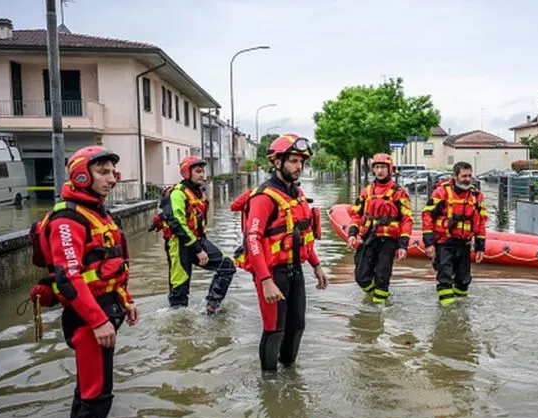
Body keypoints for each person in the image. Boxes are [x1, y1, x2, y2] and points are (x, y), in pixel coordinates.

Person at [28, 146, 139, 418]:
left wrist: (125, 300)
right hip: (87, 318)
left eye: (113, 172)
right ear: (80, 175)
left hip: (104, 309)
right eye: (103, 171)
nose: (112, 178)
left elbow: (109, 264)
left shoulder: (98, 212)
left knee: (87, 391)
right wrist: (98, 320)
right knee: (97, 397)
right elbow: (69, 278)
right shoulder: (67, 219)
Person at [236, 133, 329, 371]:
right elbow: (252, 239)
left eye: (301, 162)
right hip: (272, 273)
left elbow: (302, 236)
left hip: (294, 270)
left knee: (297, 325)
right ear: (277, 162)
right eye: (293, 161)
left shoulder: (296, 195)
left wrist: (316, 265)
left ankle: (289, 375)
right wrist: (265, 280)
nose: (299, 166)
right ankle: (269, 385)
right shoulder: (263, 197)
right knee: (274, 328)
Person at [159, 156, 236, 314]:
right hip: (179, 245)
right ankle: (178, 325)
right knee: (179, 292)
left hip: (198, 241)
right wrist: (198, 249)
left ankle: (211, 306)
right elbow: (176, 224)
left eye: (203, 171)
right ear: (187, 173)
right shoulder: (177, 194)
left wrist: (200, 246)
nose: (202, 175)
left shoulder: (198, 192)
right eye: (198, 171)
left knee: (227, 266)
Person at [347, 153, 413, 303]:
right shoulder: (367, 191)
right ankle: (373, 295)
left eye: (383, 167)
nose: (380, 170)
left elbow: (407, 219)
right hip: (369, 236)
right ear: (373, 170)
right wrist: (352, 233)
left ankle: (378, 312)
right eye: (377, 167)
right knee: (361, 277)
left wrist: (403, 245)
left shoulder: (399, 193)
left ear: (390, 169)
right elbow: (356, 214)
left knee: (382, 277)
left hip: (388, 240)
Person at [422, 161, 487, 306]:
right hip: (444, 242)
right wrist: (428, 243)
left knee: (463, 280)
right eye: (464, 176)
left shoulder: (476, 196)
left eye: (470, 176)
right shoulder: (442, 192)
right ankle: (446, 314)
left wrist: (480, 247)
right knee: (445, 277)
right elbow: (427, 216)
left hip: (464, 243)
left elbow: (481, 222)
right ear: (455, 176)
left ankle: (460, 310)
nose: (468, 179)